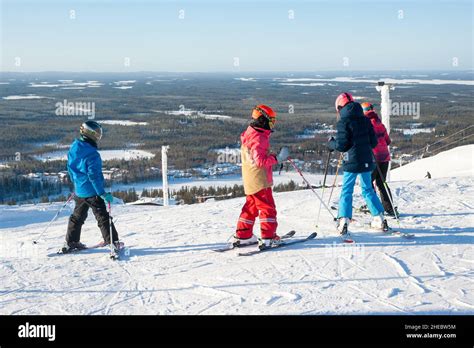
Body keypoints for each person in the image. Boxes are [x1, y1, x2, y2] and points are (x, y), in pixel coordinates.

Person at [328, 93, 390, 234]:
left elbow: (342, 145)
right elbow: (373, 142)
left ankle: (343, 221)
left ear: (339, 107)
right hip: (367, 161)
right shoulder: (365, 120)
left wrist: (332, 144)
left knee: (347, 191)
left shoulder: (343, 122)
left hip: (351, 162)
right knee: (368, 189)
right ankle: (379, 218)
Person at [233, 105, 290, 250]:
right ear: (263, 120)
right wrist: (277, 158)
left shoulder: (250, 133)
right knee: (267, 207)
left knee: (251, 207)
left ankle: (243, 236)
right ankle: (268, 237)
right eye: (271, 121)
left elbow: (255, 157)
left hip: (250, 178)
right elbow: (259, 162)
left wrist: (272, 156)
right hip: (260, 180)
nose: (272, 124)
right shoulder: (259, 138)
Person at [61, 120, 120, 253]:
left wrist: (76, 185)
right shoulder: (92, 154)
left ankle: (71, 242)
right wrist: (102, 193)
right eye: (96, 133)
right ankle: (113, 242)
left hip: (80, 191)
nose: (98, 136)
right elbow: (94, 176)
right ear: (89, 134)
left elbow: (70, 169)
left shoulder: (74, 148)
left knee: (77, 217)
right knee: (102, 216)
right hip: (92, 192)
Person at [361, 102, 398, 217]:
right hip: (384, 157)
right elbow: (387, 141)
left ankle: (373, 205)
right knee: (382, 183)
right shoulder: (380, 123)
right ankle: (389, 208)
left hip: (373, 158)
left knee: (368, 183)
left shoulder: (365, 124)